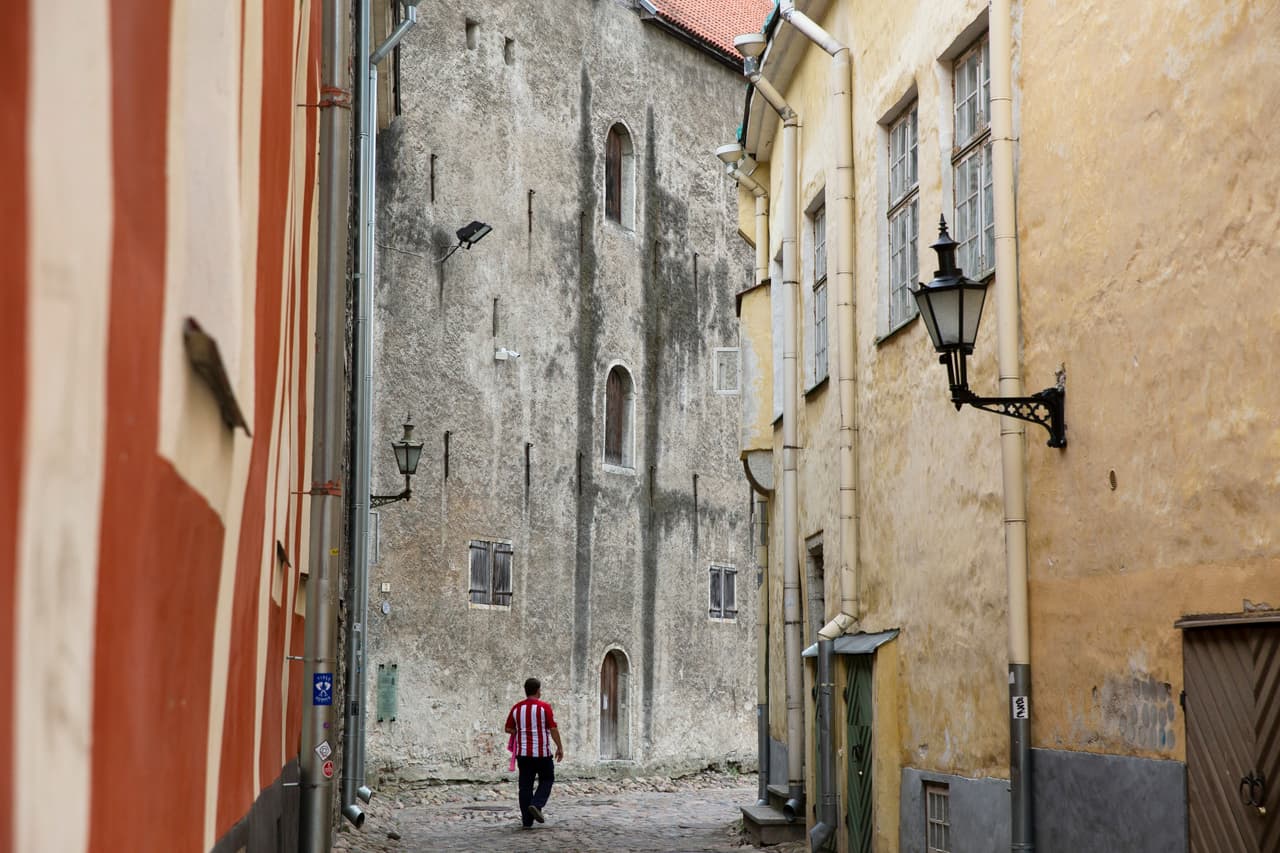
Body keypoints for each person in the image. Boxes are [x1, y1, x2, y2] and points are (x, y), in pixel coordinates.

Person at [504, 677, 564, 828]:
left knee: (525, 786)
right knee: (547, 779)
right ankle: (537, 805)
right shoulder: (544, 707)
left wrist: (519, 731)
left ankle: (526, 822)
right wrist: (559, 747)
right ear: (538, 691)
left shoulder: (517, 708)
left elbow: (508, 728)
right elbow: (553, 728)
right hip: (542, 753)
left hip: (523, 754)